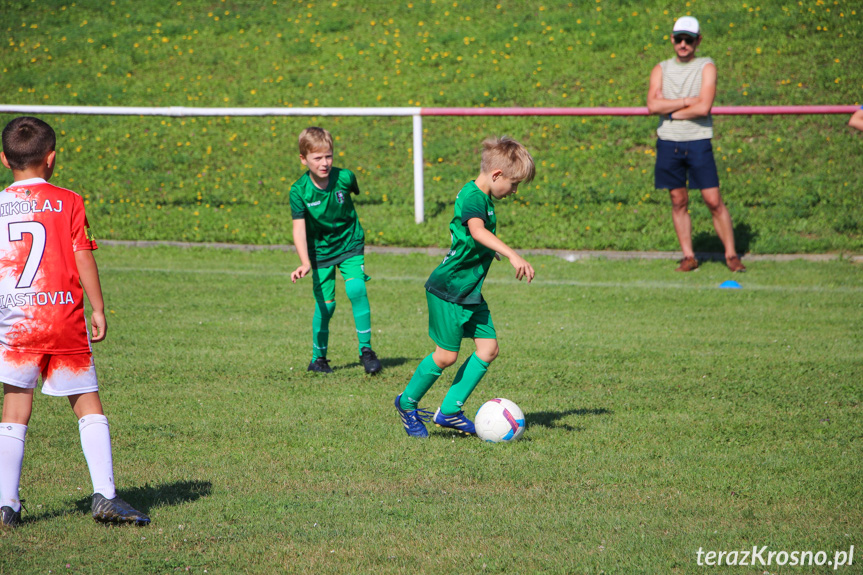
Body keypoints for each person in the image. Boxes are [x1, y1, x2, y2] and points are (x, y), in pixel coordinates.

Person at [0, 117, 149, 528]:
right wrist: (97, 308)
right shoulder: (68, 200)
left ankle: (6, 505)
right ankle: (105, 495)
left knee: (14, 407)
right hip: (61, 315)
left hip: (16, 319)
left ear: (3, 159)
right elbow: (82, 254)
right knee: (87, 405)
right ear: (51, 159)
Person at [394, 136, 535, 438]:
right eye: (513, 184)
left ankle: (450, 411)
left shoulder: (482, 198)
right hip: (449, 289)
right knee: (445, 356)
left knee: (488, 348)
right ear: (496, 175)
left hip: (469, 291)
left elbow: (470, 237)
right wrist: (511, 254)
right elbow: (476, 229)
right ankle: (407, 403)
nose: (513, 191)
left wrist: (489, 250)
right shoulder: (473, 197)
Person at [647, 16, 745, 273]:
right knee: (678, 200)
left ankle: (731, 255)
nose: (683, 44)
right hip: (669, 143)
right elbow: (652, 106)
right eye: (679, 39)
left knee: (713, 200)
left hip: (698, 141)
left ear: (698, 41)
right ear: (672, 39)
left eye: (688, 40)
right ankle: (689, 256)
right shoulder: (661, 68)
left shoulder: (706, 66)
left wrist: (670, 110)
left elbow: (704, 107)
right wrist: (685, 102)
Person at [289, 127, 382, 375]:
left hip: (350, 242)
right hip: (319, 252)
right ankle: (318, 359)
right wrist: (304, 262)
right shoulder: (298, 191)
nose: (324, 163)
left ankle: (367, 351)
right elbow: (298, 229)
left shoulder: (345, 177)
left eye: (328, 156)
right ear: (303, 159)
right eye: (317, 158)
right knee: (326, 306)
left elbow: (351, 194)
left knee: (356, 289)